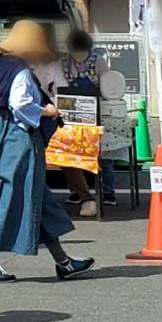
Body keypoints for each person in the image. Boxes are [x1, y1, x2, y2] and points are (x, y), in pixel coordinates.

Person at [0, 19, 95, 283]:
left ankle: (63, 261)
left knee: (38, 200)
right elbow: (21, 105)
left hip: (5, 140)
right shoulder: (20, 72)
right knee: (13, 197)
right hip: (21, 143)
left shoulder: (1, 68)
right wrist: (48, 111)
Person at [43, 29, 115, 213]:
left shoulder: (98, 62)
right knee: (72, 151)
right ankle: (76, 191)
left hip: (95, 111)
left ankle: (107, 191)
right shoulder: (61, 63)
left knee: (101, 153)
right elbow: (50, 86)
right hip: (70, 112)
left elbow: (108, 86)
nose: (78, 56)